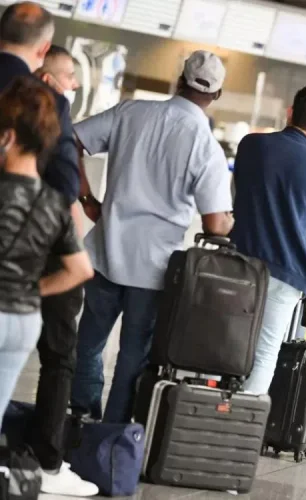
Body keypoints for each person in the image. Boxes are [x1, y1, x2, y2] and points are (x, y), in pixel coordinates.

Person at [70, 50, 234, 424]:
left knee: (89, 343)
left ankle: (79, 417)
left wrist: (87, 199)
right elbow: (214, 224)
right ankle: (111, 433)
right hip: (155, 268)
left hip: (105, 253)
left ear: (180, 79)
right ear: (217, 95)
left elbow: (72, 140)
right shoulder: (205, 145)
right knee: (132, 356)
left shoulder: (132, 112)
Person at [0, 4, 90, 495]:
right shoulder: (42, 100)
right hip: (27, 277)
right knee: (59, 355)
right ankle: (46, 464)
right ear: (41, 51)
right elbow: (61, 184)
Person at [231, 85, 306, 394]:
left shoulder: (251, 144)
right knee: (266, 352)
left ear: (289, 112)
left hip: (242, 262)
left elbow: (239, 194)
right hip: (289, 271)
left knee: (230, 341)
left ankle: (216, 407)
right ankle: (244, 423)